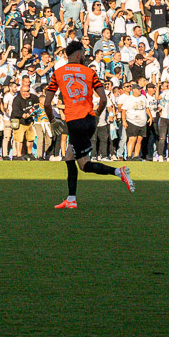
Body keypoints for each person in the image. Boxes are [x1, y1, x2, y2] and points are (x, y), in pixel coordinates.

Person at [44, 41, 135, 210]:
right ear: (78, 54)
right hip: (88, 119)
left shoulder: (58, 73)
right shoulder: (90, 72)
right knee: (69, 157)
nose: (85, 56)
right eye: (84, 53)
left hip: (75, 121)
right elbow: (103, 99)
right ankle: (71, 198)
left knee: (84, 165)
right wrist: (97, 115)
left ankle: (119, 172)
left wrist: (52, 120)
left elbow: (47, 103)